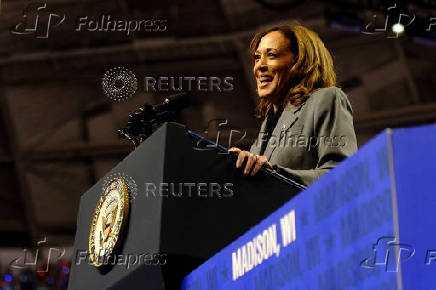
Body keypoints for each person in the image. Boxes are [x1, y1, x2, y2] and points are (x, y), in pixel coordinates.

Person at [229, 24, 357, 186]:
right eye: (257, 57)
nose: (259, 66)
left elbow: (343, 173)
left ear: (300, 62)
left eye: (272, 55)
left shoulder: (326, 98)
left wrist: (276, 175)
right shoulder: (268, 124)